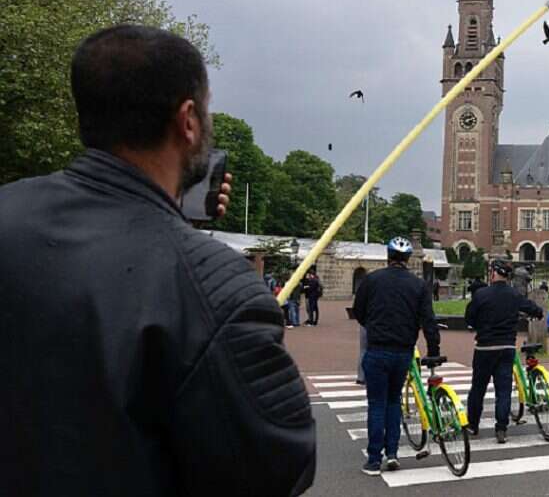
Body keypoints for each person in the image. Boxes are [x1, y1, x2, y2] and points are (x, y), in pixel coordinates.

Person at [0, 25, 315, 495]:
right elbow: (280, 466)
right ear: (188, 121)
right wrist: (181, 241)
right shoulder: (215, 289)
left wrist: (172, 220)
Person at [352, 236, 441, 476]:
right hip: (403, 351)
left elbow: (358, 312)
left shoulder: (371, 280)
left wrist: (373, 324)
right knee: (394, 402)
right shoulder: (418, 285)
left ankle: (373, 460)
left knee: (376, 404)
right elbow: (428, 321)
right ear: (408, 258)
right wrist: (433, 350)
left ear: (388, 257)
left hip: (377, 349)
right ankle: (392, 454)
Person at [464, 258, 544, 443]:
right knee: (504, 390)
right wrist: (537, 313)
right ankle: (501, 429)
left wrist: (477, 325)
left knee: (478, 388)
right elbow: (534, 309)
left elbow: (469, 318)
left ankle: (473, 425)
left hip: (484, 347)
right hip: (507, 346)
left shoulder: (481, 294)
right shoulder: (514, 295)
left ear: (493, 273)